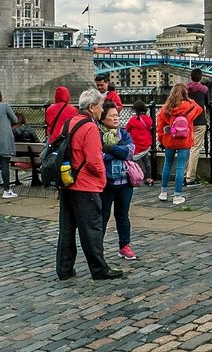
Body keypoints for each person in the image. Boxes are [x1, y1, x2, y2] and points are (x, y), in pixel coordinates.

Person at [56, 89, 124, 281]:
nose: (103, 110)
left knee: (67, 229)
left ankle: (64, 269)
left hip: (67, 182)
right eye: (101, 106)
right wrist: (102, 180)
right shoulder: (90, 128)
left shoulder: (70, 122)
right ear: (92, 107)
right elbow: (95, 161)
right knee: (91, 230)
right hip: (85, 186)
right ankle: (99, 269)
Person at [99, 101, 137, 260]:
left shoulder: (124, 133)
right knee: (102, 217)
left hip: (125, 182)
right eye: (112, 116)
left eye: (117, 115)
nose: (115, 119)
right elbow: (98, 156)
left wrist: (111, 149)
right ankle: (97, 248)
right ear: (103, 118)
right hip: (106, 183)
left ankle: (124, 245)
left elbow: (130, 151)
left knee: (123, 216)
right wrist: (117, 153)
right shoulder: (97, 134)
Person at [156, 83, 203, 205]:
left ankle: (163, 192)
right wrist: (189, 99)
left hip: (170, 139)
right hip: (184, 140)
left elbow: (160, 126)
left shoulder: (166, 108)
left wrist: (161, 139)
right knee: (180, 167)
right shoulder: (190, 106)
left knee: (167, 164)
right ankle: (177, 196)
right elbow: (199, 109)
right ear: (185, 93)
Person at [183, 68, 211, 187]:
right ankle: (190, 178)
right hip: (199, 121)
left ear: (191, 76)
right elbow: (208, 103)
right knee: (195, 149)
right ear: (201, 77)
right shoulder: (204, 89)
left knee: (186, 147)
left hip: (186, 121)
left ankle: (183, 174)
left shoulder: (185, 89)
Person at [125, 101, 155, 186]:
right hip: (145, 144)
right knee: (147, 163)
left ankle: (133, 177)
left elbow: (127, 130)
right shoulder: (148, 119)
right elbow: (150, 126)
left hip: (136, 145)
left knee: (132, 162)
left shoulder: (133, 120)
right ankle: (149, 178)